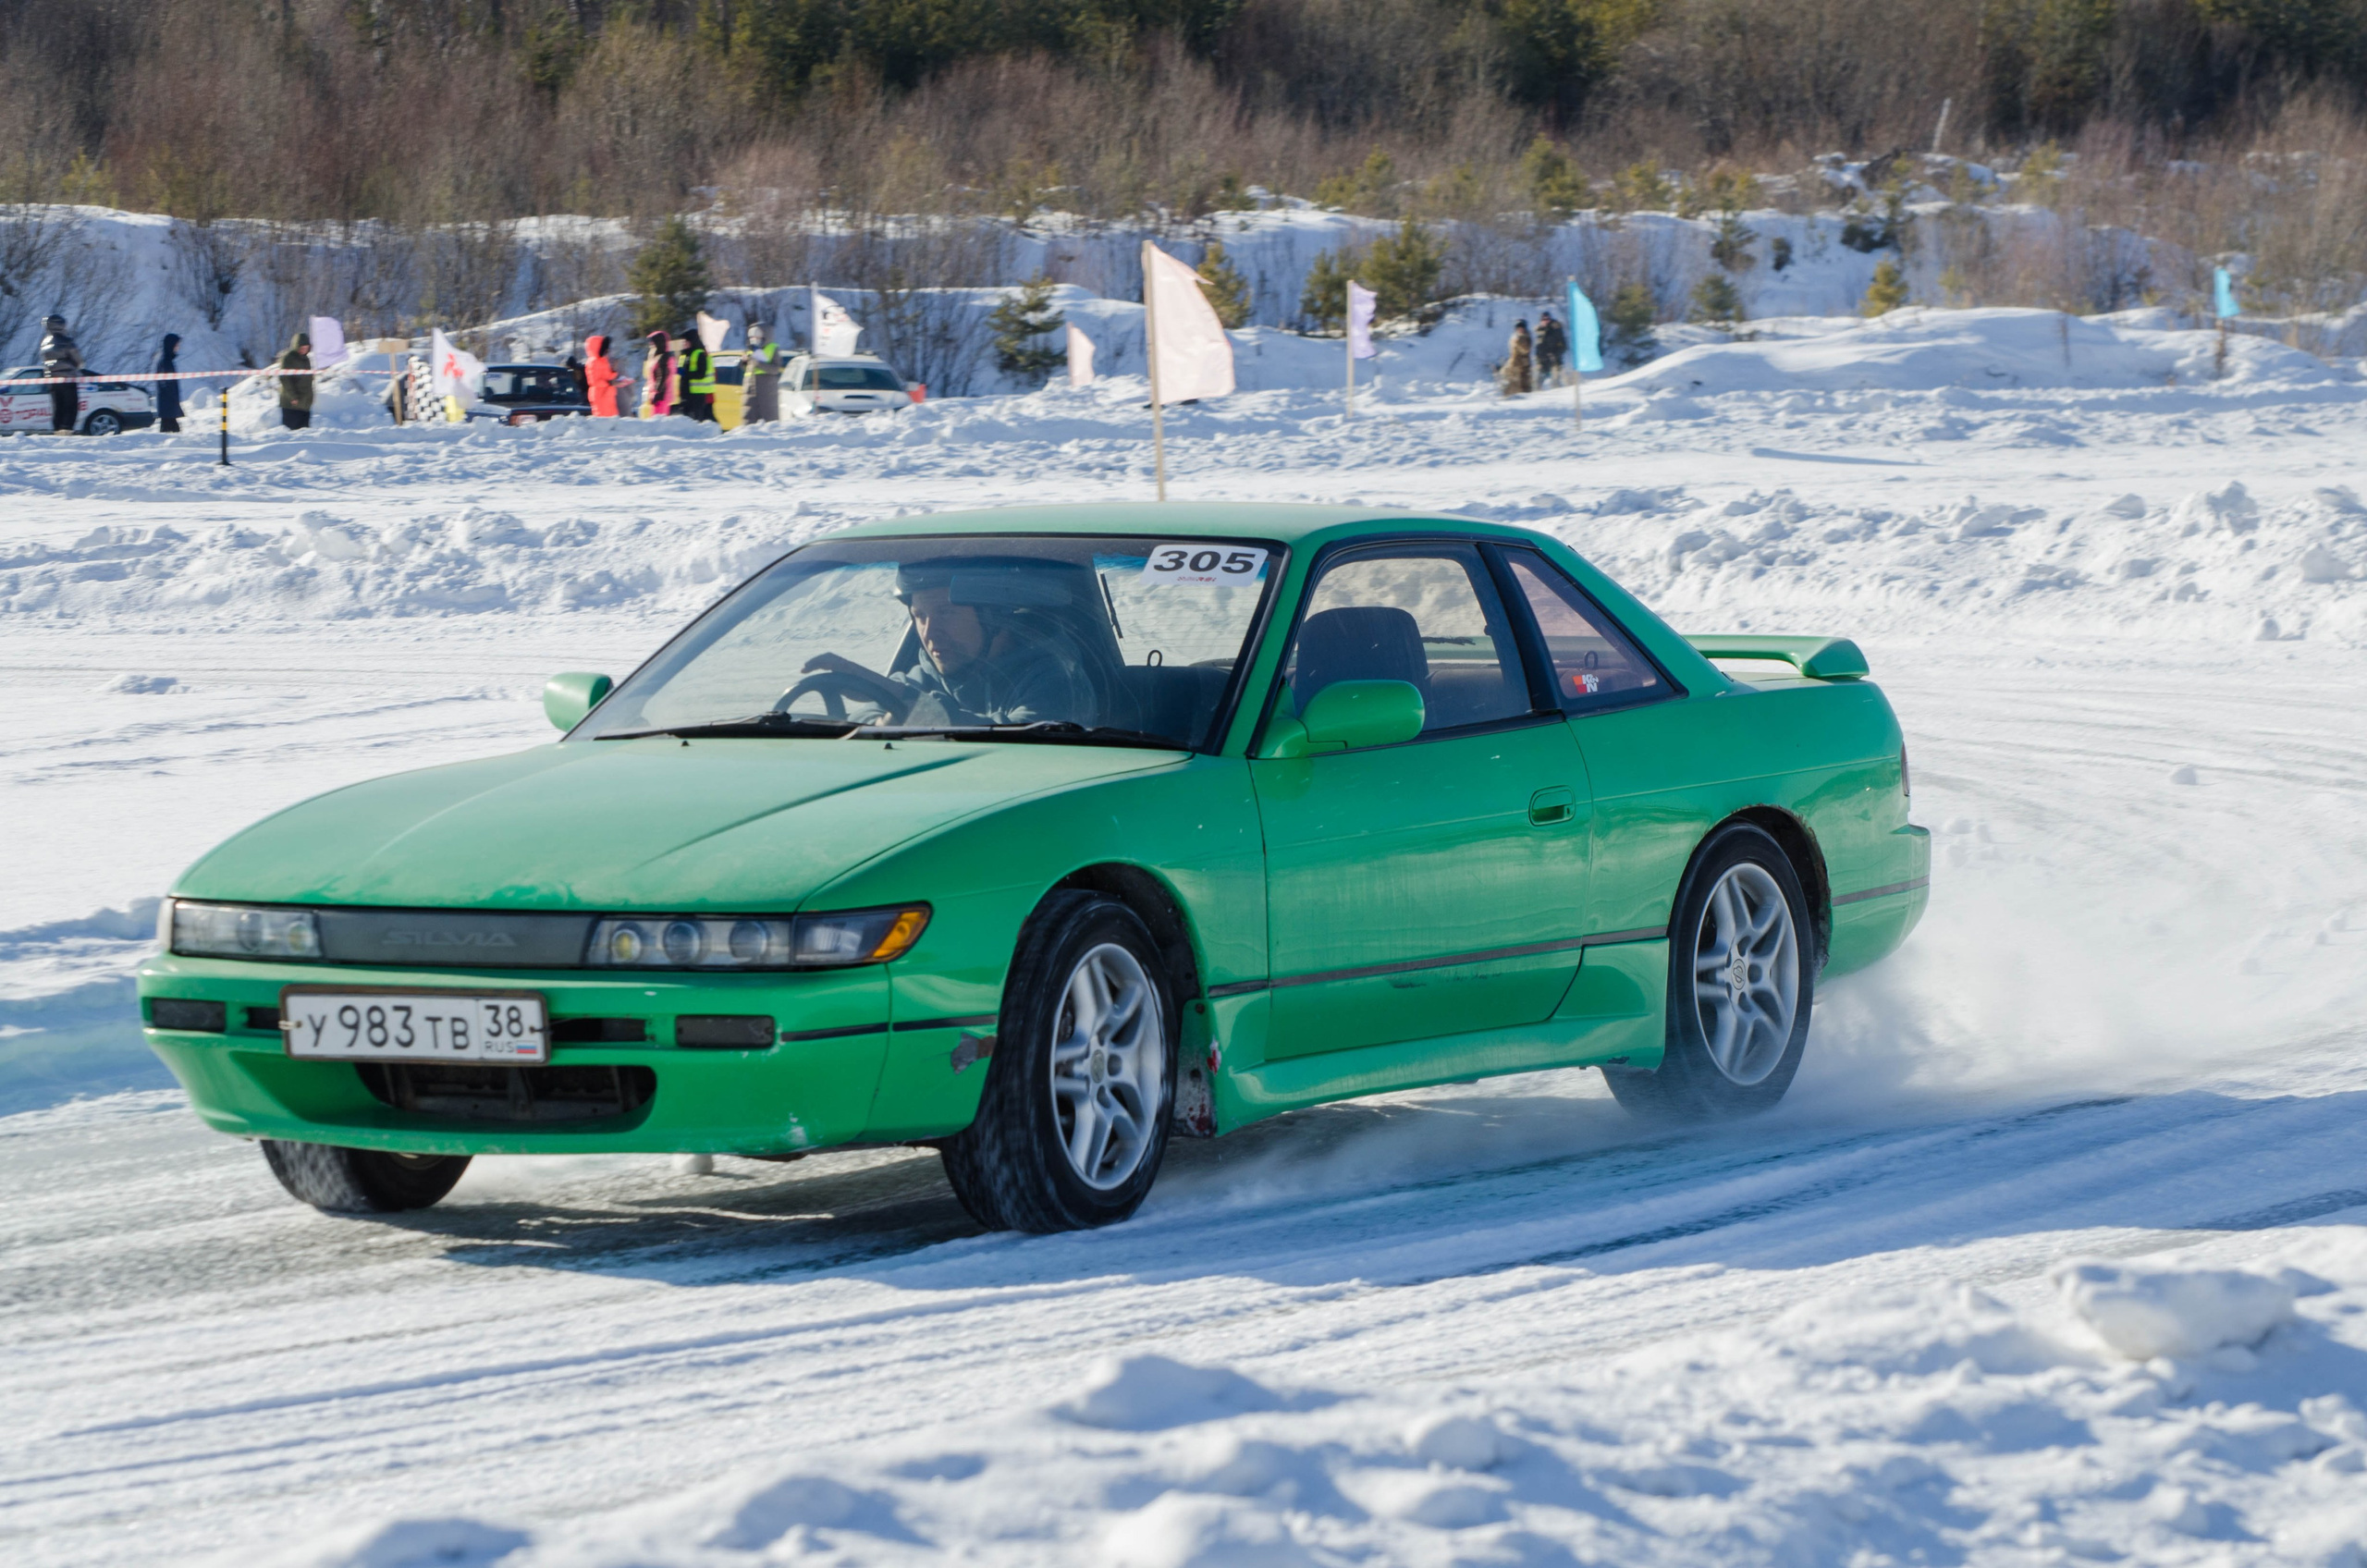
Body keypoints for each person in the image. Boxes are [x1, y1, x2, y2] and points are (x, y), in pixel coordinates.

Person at [801, 559, 1101, 729]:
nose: (931, 633)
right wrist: (885, 717)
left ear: (993, 617)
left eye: (946, 613)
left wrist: (903, 701)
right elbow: (865, 720)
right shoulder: (921, 676)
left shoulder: (1057, 678)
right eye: (920, 616)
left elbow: (1020, 741)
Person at [39, 314, 81, 433]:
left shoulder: (44, 342)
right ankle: (66, 429)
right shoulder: (67, 341)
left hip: (52, 379)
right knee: (70, 405)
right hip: (68, 378)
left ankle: (57, 429)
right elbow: (78, 360)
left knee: (57, 406)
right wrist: (77, 366)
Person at [743, 322, 782, 423]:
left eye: (757, 337)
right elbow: (746, 368)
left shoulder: (773, 348)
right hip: (750, 391)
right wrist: (743, 362)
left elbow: (775, 369)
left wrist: (758, 363)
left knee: (768, 423)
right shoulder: (750, 349)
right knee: (749, 422)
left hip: (766, 391)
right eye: (752, 337)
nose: (754, 340)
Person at [276, 330, 313, 430]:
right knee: (292, 434)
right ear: (296, 346)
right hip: (292, 404)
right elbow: (285, 378)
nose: (304, 350)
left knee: (304, 435)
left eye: (306, 348)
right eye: (302, 347)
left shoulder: (306, 359)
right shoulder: (288, 358)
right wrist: (293, 396)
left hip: (304, 404)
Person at [678, 330, 714, 423]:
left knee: (696, 420)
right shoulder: (684, 354)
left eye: (686, 342)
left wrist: (685, 373)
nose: (684, 344)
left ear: (692, 341)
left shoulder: (700, 354)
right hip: (685, 393)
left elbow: (701, 374)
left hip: (696, 394)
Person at [153, 333, 183, 433]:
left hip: (168, 406)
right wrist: (174, 399)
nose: (178, 347)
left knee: (168, 433)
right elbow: (166, 383)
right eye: (176, 345)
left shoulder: (167, 360)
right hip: (168, 405)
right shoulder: (165, 361)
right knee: (171, 433)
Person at [641, 330, 674, 419]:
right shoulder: (657, 356)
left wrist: (658, 392)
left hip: (661, 396)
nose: (651, 344)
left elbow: (663, 376)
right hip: (656, 394)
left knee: (658, 420)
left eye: (653, 342)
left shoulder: (664, 357)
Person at [584, 335, 619, 418]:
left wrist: (613, 371)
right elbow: (595, 381)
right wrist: (609, 383)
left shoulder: (603, 361)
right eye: (604, 347)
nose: (607, 350)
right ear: (598, 348)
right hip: (600, 395)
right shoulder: (593, 362)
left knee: (612, 419)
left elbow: (607, 377)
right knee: (603, 420)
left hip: (608, 394)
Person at [1534, 310, 1567, 386]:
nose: (1546, 321)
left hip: (1555, 362)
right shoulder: (1540, 331)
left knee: (1555, 384)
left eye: (1547, 319)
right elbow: (1538, 347)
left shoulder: (1555, 329)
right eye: (1543, 319)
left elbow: (1563, 346)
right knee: (1538, 384)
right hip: (1543, 363)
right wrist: (1538, 359)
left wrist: (1555, 354)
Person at [1502, 318, 1533, 396]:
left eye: (1522, 327)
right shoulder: (1514, 337)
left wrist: (1518, 341)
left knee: (1524, 388)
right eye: (1518, 327)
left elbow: (1526, 349)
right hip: (1513, 364)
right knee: (1510, 383)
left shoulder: (1526, 337)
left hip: (1524, 367)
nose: (1520, 329)